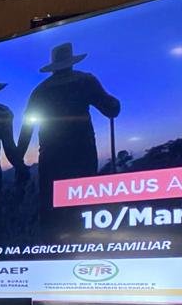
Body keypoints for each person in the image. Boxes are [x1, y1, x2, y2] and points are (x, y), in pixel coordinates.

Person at [16, 43, 121, 222]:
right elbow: (110, 109)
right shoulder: (85, 81)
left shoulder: (40, 91)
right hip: (82, 154)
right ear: (71, 61)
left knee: (52, 208)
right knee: (83, 206)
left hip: (51, 157)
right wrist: (115, 104)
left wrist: (19, 162)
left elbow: (26, 129)